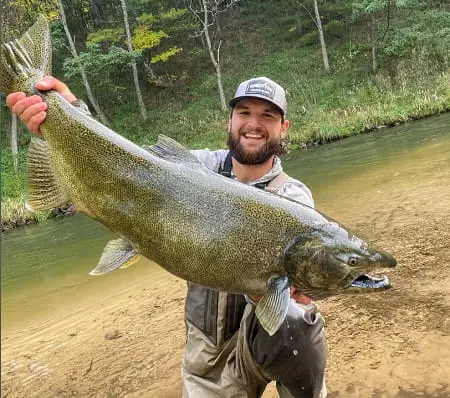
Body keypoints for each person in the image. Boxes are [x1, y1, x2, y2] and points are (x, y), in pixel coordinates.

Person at [7, 76, 327, 398]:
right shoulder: (195, 167)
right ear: (230, 120)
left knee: (296, 322)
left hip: (258, 341)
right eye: (244, 112)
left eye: (267, 116)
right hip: (206, 353)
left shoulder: (293, 199)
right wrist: (71, 112)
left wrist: (274, 292)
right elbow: (123, 162)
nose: (253, 124)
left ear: (284, 127)